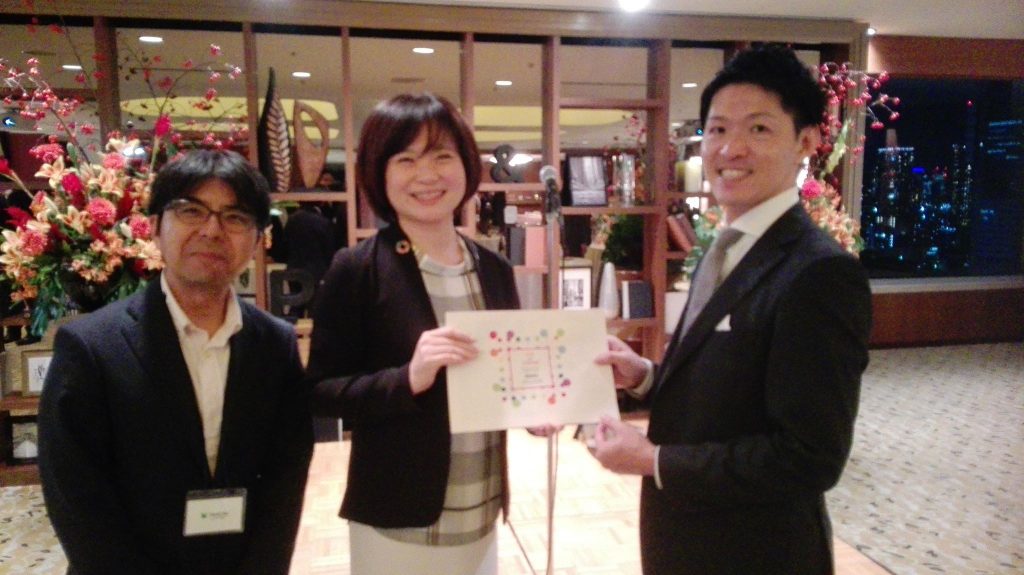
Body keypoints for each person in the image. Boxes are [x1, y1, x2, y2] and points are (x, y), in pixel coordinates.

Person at [590, 45, 872, 574]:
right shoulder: (725, 247)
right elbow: (728, 385)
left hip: (755, 552)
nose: (730, 148)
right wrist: (645, 375)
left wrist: (653, 459)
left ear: (806, 142)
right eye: (717, 129)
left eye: (759, 129)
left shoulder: (820, 274)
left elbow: (809, 456)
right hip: (688, 541)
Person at [38, 150, 313, 575]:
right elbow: (76, 498)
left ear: (259, 240)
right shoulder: (92, 346)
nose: (212, 230)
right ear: (154, 227)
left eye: (235, 217)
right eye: (191, 211)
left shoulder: (275, 344)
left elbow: (285, 480)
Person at [306, 93, 527, 575]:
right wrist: (408, 378)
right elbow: (321, 391)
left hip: (481, 505)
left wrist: (537, 406)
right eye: (405, 160)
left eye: (442, 156)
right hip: (398, 516)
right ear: (380, 174)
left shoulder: (494, 269)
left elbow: (503, 378)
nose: (427, 175)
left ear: (465, 165)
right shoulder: (358, 269)